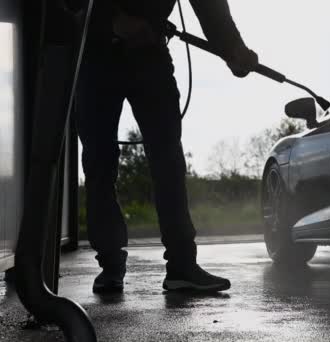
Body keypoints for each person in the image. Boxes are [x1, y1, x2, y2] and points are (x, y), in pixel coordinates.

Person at [76, 0, 258, 294]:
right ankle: (110, 265)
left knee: (169, 161)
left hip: (150, 56)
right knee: (99, 161)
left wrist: (233, 48)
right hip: (96, 55)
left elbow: (210, 7)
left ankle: (182, 265)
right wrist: (110, 18)